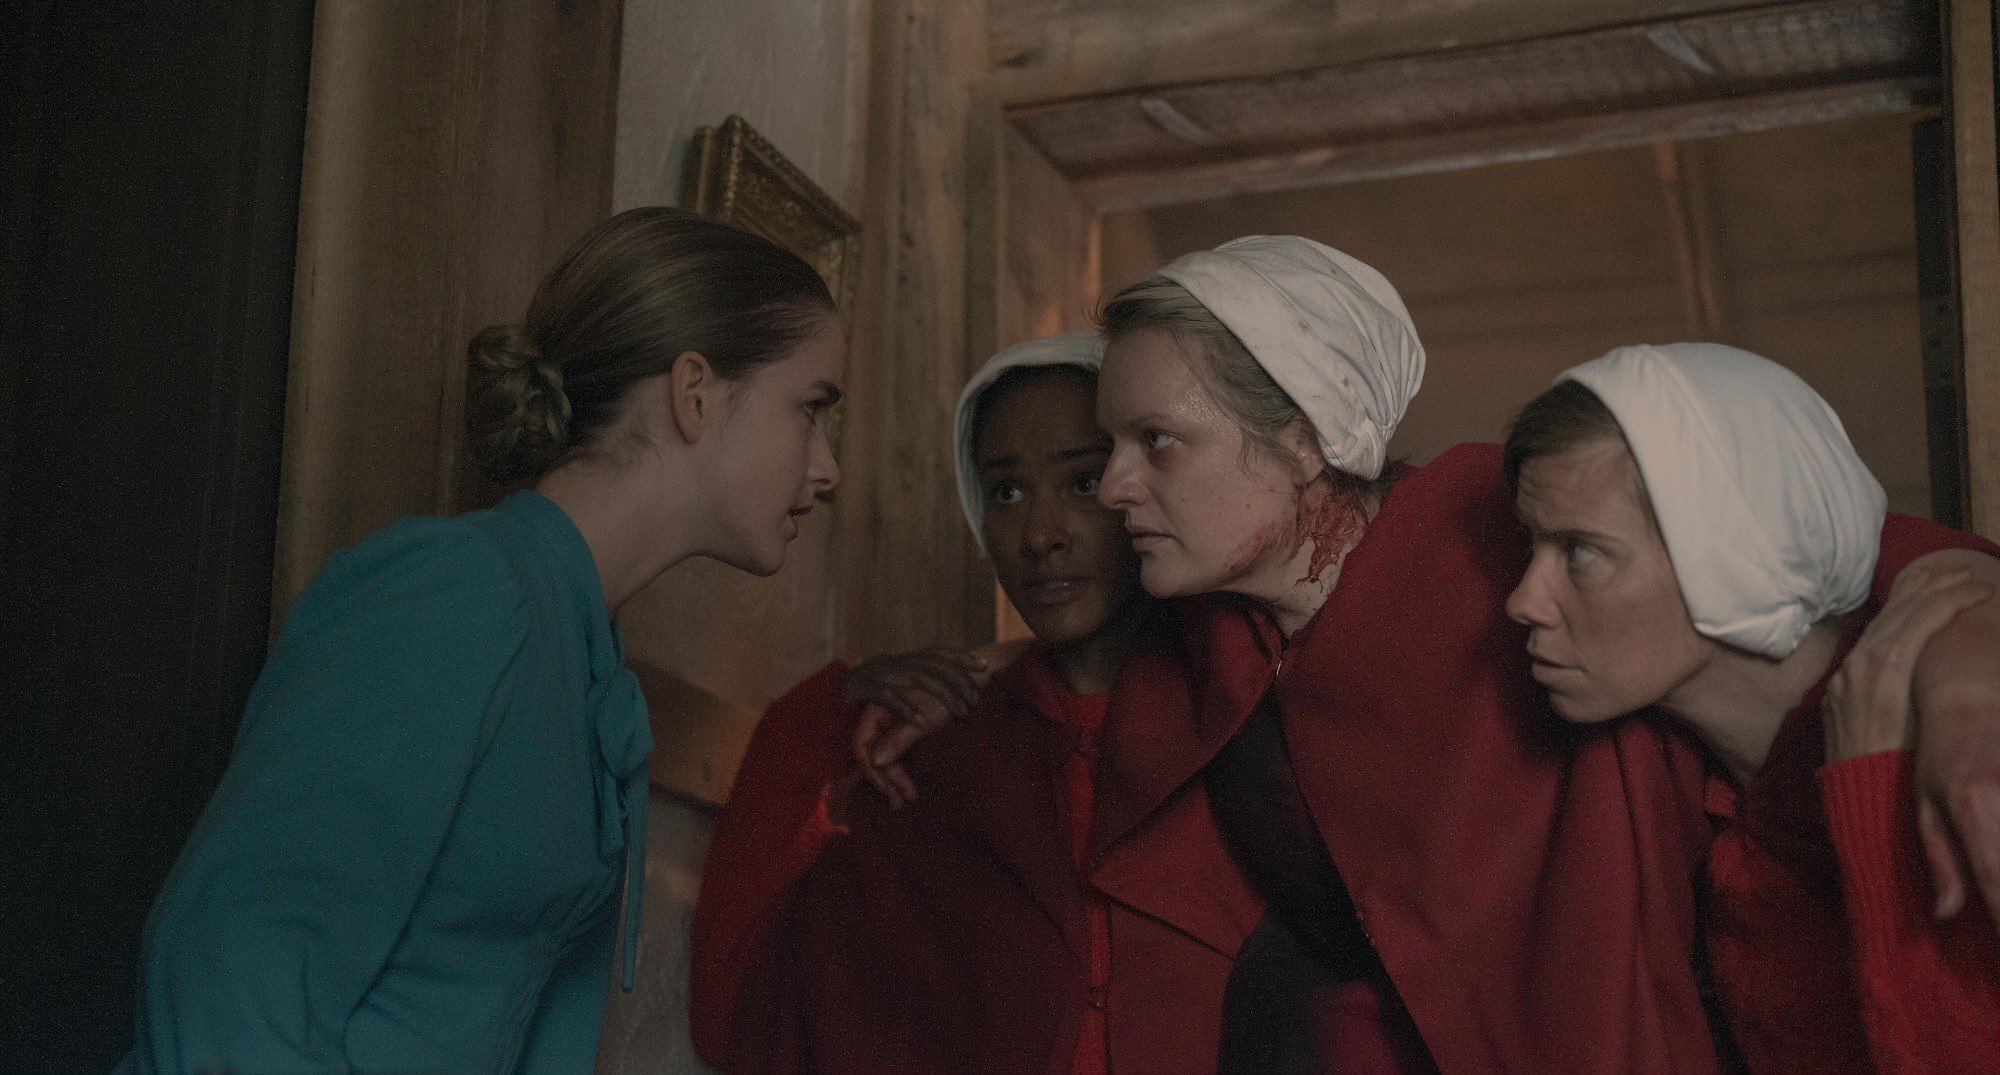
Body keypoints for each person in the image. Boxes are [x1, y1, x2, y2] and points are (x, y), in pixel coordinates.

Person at [1085, 235, 2000, 1072]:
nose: (1113, 486)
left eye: (1157, 440)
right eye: (1111, 445)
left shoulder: (1492, 514)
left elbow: (1806, 532)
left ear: (1302, 437)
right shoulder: (1200, 650)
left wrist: (1966, 647)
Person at [125, 207, 844, 1072]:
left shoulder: (587, 652)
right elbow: (228, 963)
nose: (827, 467)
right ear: (695, 393)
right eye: (810, 409)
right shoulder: (460, 590)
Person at [690, 333, 1263, 1073]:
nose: (1042, 535)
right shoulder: (924, 759)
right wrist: (826, 714)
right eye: (1007, 493)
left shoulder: (1245, 728)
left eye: (1083, 482)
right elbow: (742, 1006)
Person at [1503, 342, 2000, 1073]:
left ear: (1731, 559)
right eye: (1533, 546)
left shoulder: (1958, 766)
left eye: (1579, 551)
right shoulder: (1710, 794)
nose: (1522, 599)